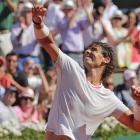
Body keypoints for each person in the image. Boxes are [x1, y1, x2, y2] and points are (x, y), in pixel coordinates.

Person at [32, 4, 140, 140]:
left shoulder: (108, 98)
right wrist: (38, 24)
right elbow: (47, 43)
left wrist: (139, 104)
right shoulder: (71, 69)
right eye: (88, 49)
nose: (88, 51)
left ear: (106, 59)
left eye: (94, 50)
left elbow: (136, 125)